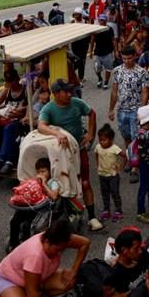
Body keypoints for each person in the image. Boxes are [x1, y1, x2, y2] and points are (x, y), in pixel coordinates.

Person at [0, 218, 90, 297]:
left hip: (35, 277)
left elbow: (85, 243)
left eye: (62, 250)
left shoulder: (59, 238)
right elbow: (32, 290)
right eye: (57, 250)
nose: (59, 253)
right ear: (47, 241)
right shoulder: (35, 256)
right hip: (7, 279)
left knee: (69, 281)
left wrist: (74, 271)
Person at [37, 79, 102, 232]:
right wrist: (57, 133)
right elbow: (41, 126)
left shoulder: (77, 103)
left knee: (85, 183)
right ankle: (67, 216)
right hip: (61, 154)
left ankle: (92, 217)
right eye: (65, 91)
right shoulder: (48, 108)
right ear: (55, 94)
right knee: (63, 184)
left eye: (70, 91)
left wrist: (91, 133)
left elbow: (91, 113)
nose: (69, 94)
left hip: (79, 149)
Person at [0, 69, 28, 176]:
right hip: (6, 117)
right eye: (8, 81)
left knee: (9, 128)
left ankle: (2, 158)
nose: (11, 83)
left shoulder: (25, 90)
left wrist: (21, 111)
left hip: (19, 119)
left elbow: (30, 105)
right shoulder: (7, 90)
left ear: (17, 79)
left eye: (12, 81)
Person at [102, 227, 149, 297]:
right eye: (136, 249)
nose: (140, 251)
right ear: (124, 250)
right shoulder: (114, 274)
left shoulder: (142, 255)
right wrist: (133, 293)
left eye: (140, 247)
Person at [109, 46, 149, 156]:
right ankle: (131, 157)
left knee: (136, 137)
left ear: (135, 56)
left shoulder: (142, 72)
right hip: (121, 110)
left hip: (135, 110)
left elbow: (145, 92)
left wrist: (141, 111)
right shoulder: (117, 71)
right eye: (124, 58)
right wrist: (111, 109)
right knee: (126, 136)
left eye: (129, 58)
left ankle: (138, 161)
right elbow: (114, 91)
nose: (127, 61)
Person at [94, 124, 126, 223]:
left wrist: (121, 166)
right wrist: (98, 164)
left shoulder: (114, 148)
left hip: (113, 176)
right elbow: (96, 154)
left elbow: (125, 156)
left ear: (111, 139)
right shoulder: (98, 147)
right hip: (102, 175)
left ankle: (118, 210)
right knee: (105, 193)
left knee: (115, 193)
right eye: (100, 140)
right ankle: (106, 210)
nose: (102, 142)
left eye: (104, 140)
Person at [90, 14, 116, 89]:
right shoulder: (96, 30)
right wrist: (91, 51)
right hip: (98, 53)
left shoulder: (110, 29)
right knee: (96, 68)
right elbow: (92, 41)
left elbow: (113, 40)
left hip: (108, 52)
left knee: (108, 69)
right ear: (99, 20)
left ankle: (106, 82)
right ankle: (100, 78)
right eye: (100, 20)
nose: (102, 22)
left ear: (106, 21)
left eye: (103, 20)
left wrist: (116, 51)